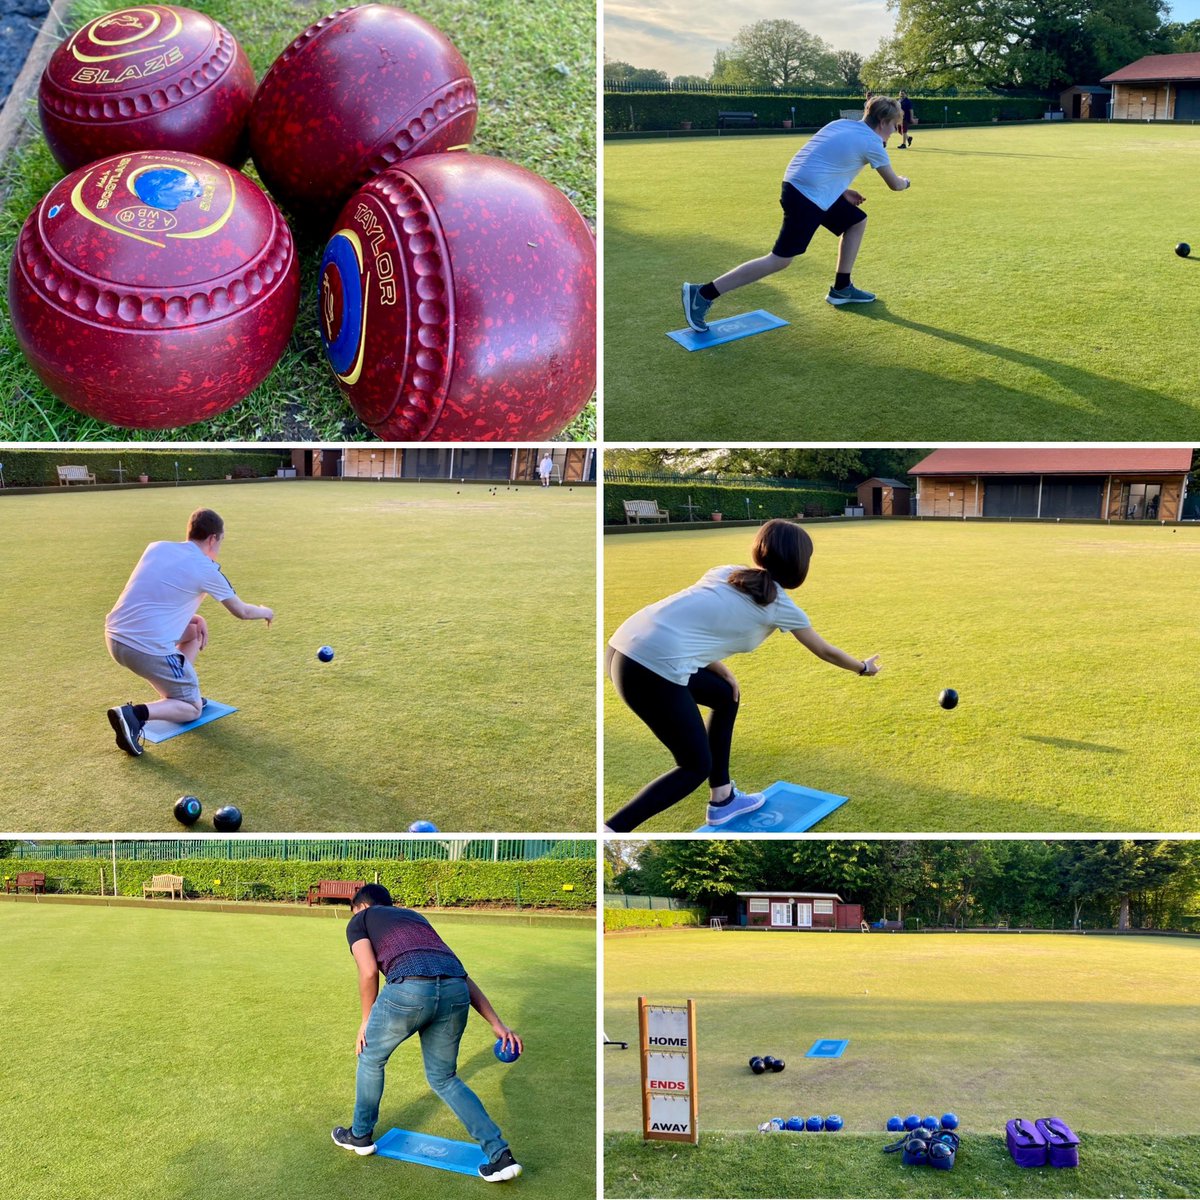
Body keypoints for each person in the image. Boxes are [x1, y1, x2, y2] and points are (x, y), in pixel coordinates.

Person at [605, 519, 882, 832]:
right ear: (799, 564)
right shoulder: (781, 606)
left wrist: (718, 667)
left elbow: (691, 625)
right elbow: (825, 651)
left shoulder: (725, 572)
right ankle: (612, 829)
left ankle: (723, 800)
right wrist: (863, 667)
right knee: (694, 766)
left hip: (622, 648)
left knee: (724, 694)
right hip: (648, 668)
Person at [330, 884, 524, 1183]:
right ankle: (500, 1156)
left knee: (370, 1058)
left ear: (362, 907)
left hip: (408, 990)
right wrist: (496, 1023)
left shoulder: (361, 919)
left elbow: (368, 971)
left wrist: (366, 1020)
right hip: (455, 993)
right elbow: (457, 972)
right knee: (444, 1078)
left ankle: (360, 1135)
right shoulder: (415, 917)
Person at [681, 96, 911, 329]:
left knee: (856, 220)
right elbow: (894, 184)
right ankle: (702, 294)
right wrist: (906, 181)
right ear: (882, 121)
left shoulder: (841, 124)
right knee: (780, 260)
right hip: (807, 197)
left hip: (799, 186)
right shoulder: (872, 143)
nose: (893, 131)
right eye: (893, 125)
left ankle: (842, 288)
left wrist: (841, 191)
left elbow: (821, 159)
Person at [104, 508, 274, 757]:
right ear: (213, 538)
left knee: (194, 630)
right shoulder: (206, 568)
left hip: (114, 637)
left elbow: (153, 594)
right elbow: (242, 611)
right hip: (144, 649)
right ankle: (135, 714)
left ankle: (179, 692)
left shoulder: (157, 548)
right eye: (221, 541)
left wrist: (194, 616)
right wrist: (265, 611)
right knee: (193, 709)